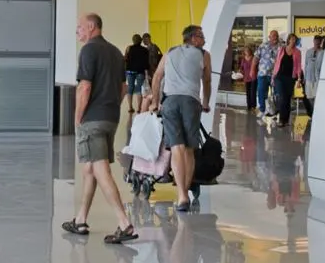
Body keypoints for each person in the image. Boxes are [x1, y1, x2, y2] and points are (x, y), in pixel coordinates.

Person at [62, 14, 138, 244]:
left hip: (92, 119)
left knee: (100, 169)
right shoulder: (115, 52)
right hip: (111, 117)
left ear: (92, 27)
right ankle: (81, 219)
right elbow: (124, 87)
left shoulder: (88, 50)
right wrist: (112, 103)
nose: (77, 32)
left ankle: (124, 223)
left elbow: (84, 87)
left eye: (79, 28)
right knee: (90, 168)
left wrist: (77, 118)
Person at [150, 24, 212, 212]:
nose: (204, 40)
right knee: (189, 149)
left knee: (176, 147)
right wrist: (206, 102)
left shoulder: (169, 52)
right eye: (201, 36)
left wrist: (155, 101)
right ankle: (185, 192)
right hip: (190, 102)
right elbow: (207, 80)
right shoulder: (204, 55)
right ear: (193, 38)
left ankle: (181, 196)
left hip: (169, 102)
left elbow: (157, 76)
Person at [271, 33, 303, 128]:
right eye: (291, 39)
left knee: (287, 99)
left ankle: (286, 119)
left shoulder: (297, 52)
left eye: (295, 40)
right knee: (282, 97)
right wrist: (273, 76)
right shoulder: (282, 49)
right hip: (279, 77)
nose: (293, 41)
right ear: (288, 40)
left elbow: (298, 66)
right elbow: (277, 63)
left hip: (290, 77)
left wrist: (299, 79)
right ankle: (281, 119)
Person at [253, 30, 280, 117]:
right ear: (269, 37)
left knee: (276, 93)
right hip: (263, 73)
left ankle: (275, 111)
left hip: (275, 74)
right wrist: (252, 70)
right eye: (273, 36)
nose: (275, 37)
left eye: (276, 36)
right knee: (261, 91)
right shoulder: (263, 46)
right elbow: (256, 57)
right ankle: (262, 109)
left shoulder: (281, 47)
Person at [124, 33, 150, 116]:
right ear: (141, 41)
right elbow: (146, 62)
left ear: (133, 40)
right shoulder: (145, 50)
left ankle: (130, 107)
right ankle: (139, 108)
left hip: (130, 71)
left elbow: (125, 59)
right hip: (140, 71)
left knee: (130, 88)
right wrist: (147, 72)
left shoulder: (129, 48)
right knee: (139, 89)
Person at [303, 35, 325, 104]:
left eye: (319, 41)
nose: (317, 42)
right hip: (309, 78)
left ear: (321, 42)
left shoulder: (323, 52)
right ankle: (313, 111)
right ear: (313, 41)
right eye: (316, 40)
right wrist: (305, 77)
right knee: (309, 97)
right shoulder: (309, 51)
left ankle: (316, 112)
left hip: (318, 79)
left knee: (317, 97)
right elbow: (306, 65)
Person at [240, 45, 257, 112]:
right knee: (248, 92)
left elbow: (257, 67)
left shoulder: (254, 58)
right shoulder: (243, 59)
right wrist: (240, 72)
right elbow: (241, 68)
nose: (247, 52)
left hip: (253, 77)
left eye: (248, 50)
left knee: (253, 92)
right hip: (246, 78)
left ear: (250, 51)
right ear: (244, 52)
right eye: (246, 51)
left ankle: (253, 106)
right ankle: (249, 106)